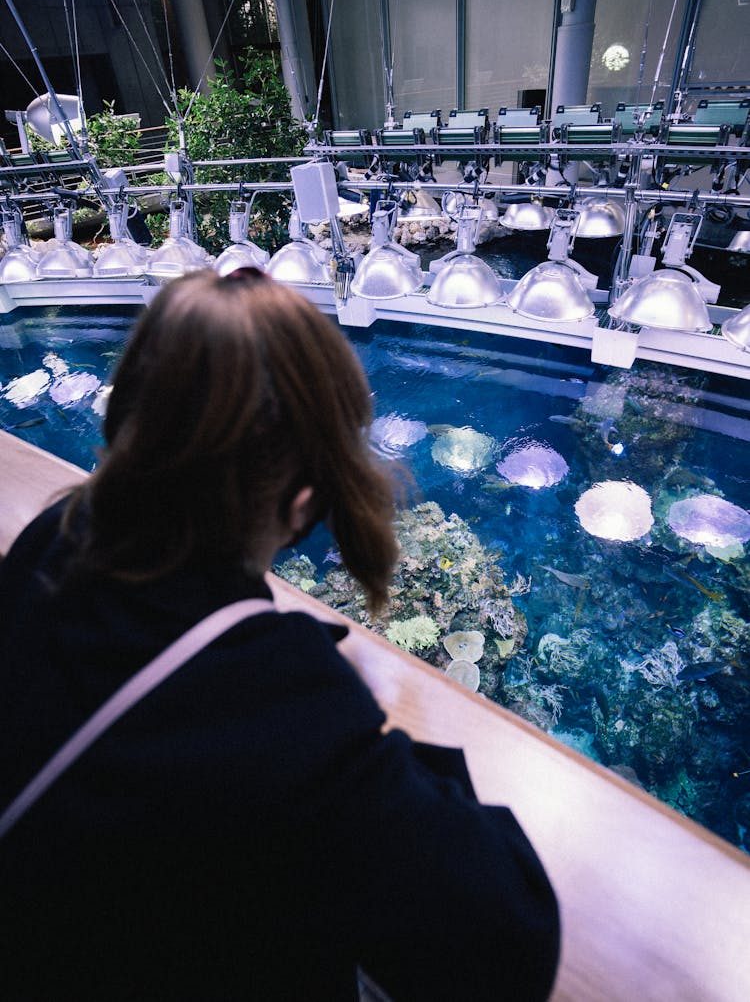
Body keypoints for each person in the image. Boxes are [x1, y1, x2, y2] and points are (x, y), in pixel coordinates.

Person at [0, 268, 559, 1001]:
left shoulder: (52, 538)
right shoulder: (272, 693)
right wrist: (380, 746)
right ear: (304, 502)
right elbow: (513, 940)